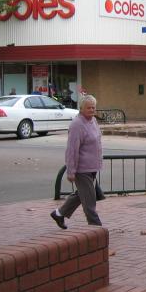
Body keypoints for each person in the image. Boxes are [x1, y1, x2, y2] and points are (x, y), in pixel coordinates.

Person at [51, 95, 103, 229]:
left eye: (93, 107)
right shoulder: (77, 125)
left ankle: (59, 213)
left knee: (82, 194)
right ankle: (96, 229)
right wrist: (71, 170)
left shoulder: (93, 121)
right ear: (81, 108)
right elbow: (72, 150)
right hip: (82, 169)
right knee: (89, 201)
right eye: (88, 108)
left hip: (92, 167)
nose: (92, 110)